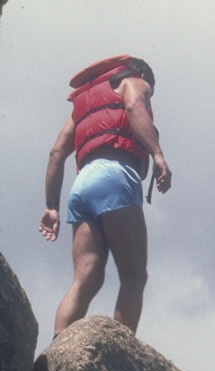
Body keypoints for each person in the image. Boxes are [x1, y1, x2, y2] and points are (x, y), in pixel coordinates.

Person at [40, 55, 172, 336]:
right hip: (115, 176)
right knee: (134, 276)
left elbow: (56, 153)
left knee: (85, 278)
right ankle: (123, 351)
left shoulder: (82, 107)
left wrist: (51, 206)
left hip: (82, 184)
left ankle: (58, 347)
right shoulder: (135, 81)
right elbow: (135, 106)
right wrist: (158, 155)